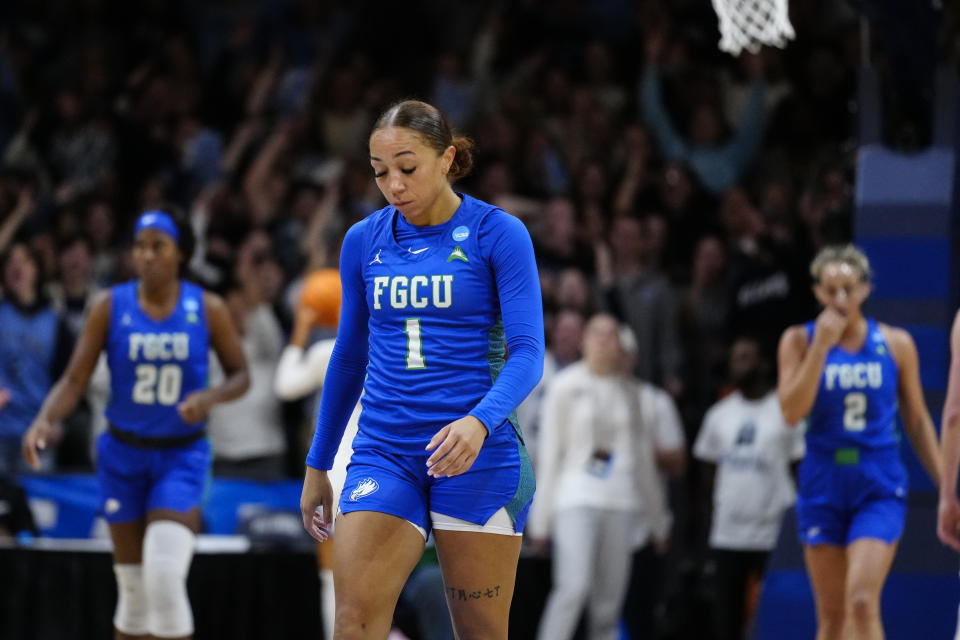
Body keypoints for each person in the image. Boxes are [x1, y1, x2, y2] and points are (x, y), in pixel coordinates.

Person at [299, 99, 544, 640]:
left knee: (479, 631)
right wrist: (319, 463)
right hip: (384, 449)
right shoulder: (363, 239)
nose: (394, 185)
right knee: (353, 623)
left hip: (475, 451)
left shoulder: (498, 233)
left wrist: (478, 422)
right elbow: (348, 355)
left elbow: (528, 354)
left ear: (447, 158)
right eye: (380, 172)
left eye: (407, 168)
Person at [21, 208, 250, 640]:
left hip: (181, 455)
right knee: (133, 593)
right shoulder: (110, 305)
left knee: (163, 578)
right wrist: (43, 419)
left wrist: (208, 398)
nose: (146, 255)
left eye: (158, 246)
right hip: (122, 454)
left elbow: (242, 375)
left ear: (180, 253)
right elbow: (74, 378)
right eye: (139, 246)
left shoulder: (207, 307)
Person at [777, 244, 941, 640]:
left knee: (863, 601)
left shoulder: (896, 343)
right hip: (822, 480)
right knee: (832, 621)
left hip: (877, 481)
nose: (840, 299)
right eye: (830, 290)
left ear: (866, 289)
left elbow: (917, 420)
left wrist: (947, 486)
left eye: (848, 288)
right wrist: (821, 348)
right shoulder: (798, 340)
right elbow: (791, 412)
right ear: (816, 292)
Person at [528, 313, 669, 640]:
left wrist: (658, 520)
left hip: (621, 502)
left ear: (622, 345)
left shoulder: (633, 394)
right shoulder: (563, 387)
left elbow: (643, 461)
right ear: (583, 341)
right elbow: (551, 455)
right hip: (574, 499)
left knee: (608, 606)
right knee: (572, 589)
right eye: (597, 333)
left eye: (611, 334)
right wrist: (541, 520)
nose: (604, 340)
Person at [695, 336, 804, 640]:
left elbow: (801, 470)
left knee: (776, 616)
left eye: (745, 357)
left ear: (763, 364)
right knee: (727, 619)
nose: (737, 364)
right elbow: (707, 477)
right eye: (734, 358)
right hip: (728, 533)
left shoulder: (785, 411)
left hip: (773, 532)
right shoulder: (719, 415)